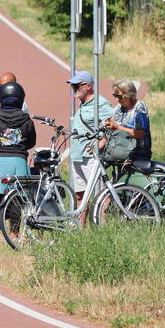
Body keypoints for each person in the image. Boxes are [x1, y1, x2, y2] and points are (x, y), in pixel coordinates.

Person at [0, 82, 36, 242]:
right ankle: (14, 233)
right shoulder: (26, 119)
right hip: (18, 160)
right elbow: (31, 141)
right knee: (17, 198)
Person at [68, 70, 113, 223]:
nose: (74, 89)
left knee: (101, 195)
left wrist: (102, 141)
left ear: (87, 86)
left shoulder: (100, 103)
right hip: (77, 155)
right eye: (73, 86)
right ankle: (80, 230)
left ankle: (103, 228)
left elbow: (113, 123)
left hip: (91, 157)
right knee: (80, 195)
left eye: (77, 86)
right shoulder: (84, 104)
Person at [104, 79, 151, 161]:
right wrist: (108, 123)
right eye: (115, 96)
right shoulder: (120, 107)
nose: (117, 99)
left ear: (129, 95)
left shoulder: (139, 109)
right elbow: (113, 120)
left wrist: (118, 127)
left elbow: (140, 134)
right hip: (122, 151)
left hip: (138, 155)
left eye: (119, 96)